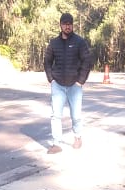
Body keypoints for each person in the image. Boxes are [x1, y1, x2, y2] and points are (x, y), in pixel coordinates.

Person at [44, 12, 92, 154]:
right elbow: (47, 61)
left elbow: (87, 61)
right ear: (60, 25)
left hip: (74, 86)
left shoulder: (80, 42)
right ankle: (56, 143)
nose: (67, 26)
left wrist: (80, 81)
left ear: (72, 25)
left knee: (76, 115)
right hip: (58, 85)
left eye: (70, 24)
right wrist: (51, 79)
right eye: (65, 24)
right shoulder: (54, 43)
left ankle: (77, 137)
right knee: (56, 115)